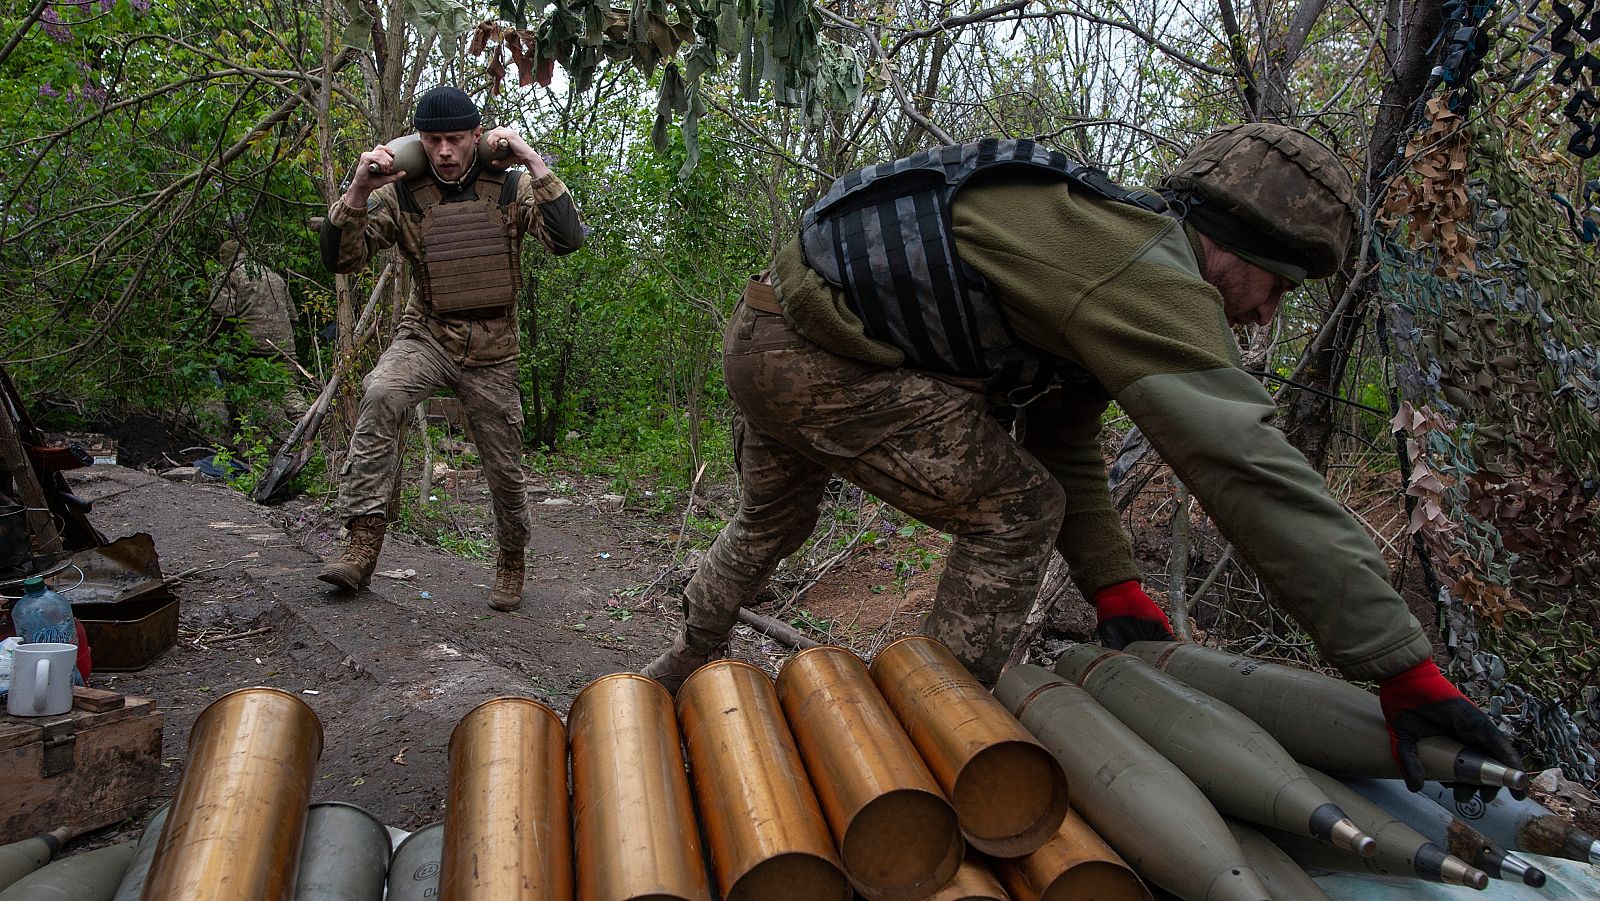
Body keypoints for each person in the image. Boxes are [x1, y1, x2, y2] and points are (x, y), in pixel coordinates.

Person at [642, 125, 1523, 790]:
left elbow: (1062, 436)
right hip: (820, 361)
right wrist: (1402, 665)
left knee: (770, 521)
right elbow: (1247, 464)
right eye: (1276, 285)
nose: (1265, 314)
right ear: (1232, 244)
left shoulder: (1096, 238)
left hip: (765, 331)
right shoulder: (1145, 272)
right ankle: (922, 754)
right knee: (1015, 511)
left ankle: (681, 660)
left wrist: (1115, 590)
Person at [316, 86, 584, 610]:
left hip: (493, 349)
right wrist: (358, 190)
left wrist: (532, 161)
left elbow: (567, 239)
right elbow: (341, 260)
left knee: (504, 468)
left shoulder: (509, 188)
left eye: (455, 139)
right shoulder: (402, 193)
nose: (443, 151)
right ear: (419, 140)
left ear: (475, 137)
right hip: (429, 335)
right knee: (381, 393)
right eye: (432, 140)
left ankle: (511, 558)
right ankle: (361, 544)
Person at [207, 240, 309, 430]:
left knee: (237, 390)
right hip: (283, 347)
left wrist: (210, 340)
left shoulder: (229, 274)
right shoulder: (272, 274)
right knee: (289, 392)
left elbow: (220, 313)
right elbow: (293, 317)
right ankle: (309, 430)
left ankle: (241, 433)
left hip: (248, 347)